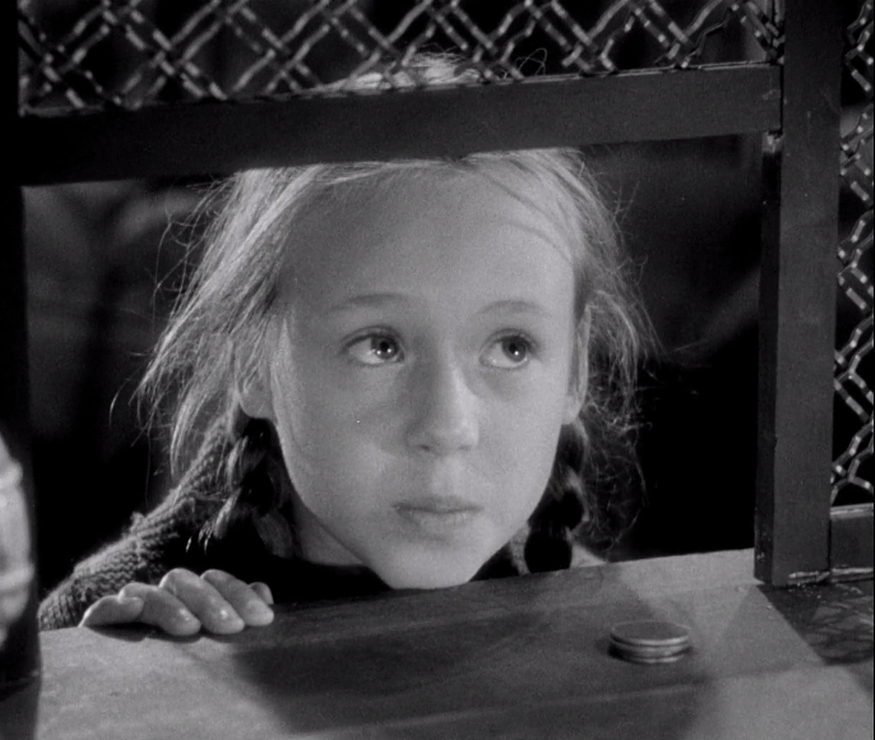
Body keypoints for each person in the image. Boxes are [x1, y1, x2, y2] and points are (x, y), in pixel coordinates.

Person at [37, 57, 647, 637]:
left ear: (575, 370)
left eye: (511, 348)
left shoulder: (606, 625)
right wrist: (97, 679)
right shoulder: (131, 615)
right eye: (380, 347)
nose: (447, 426)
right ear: (252, 359)